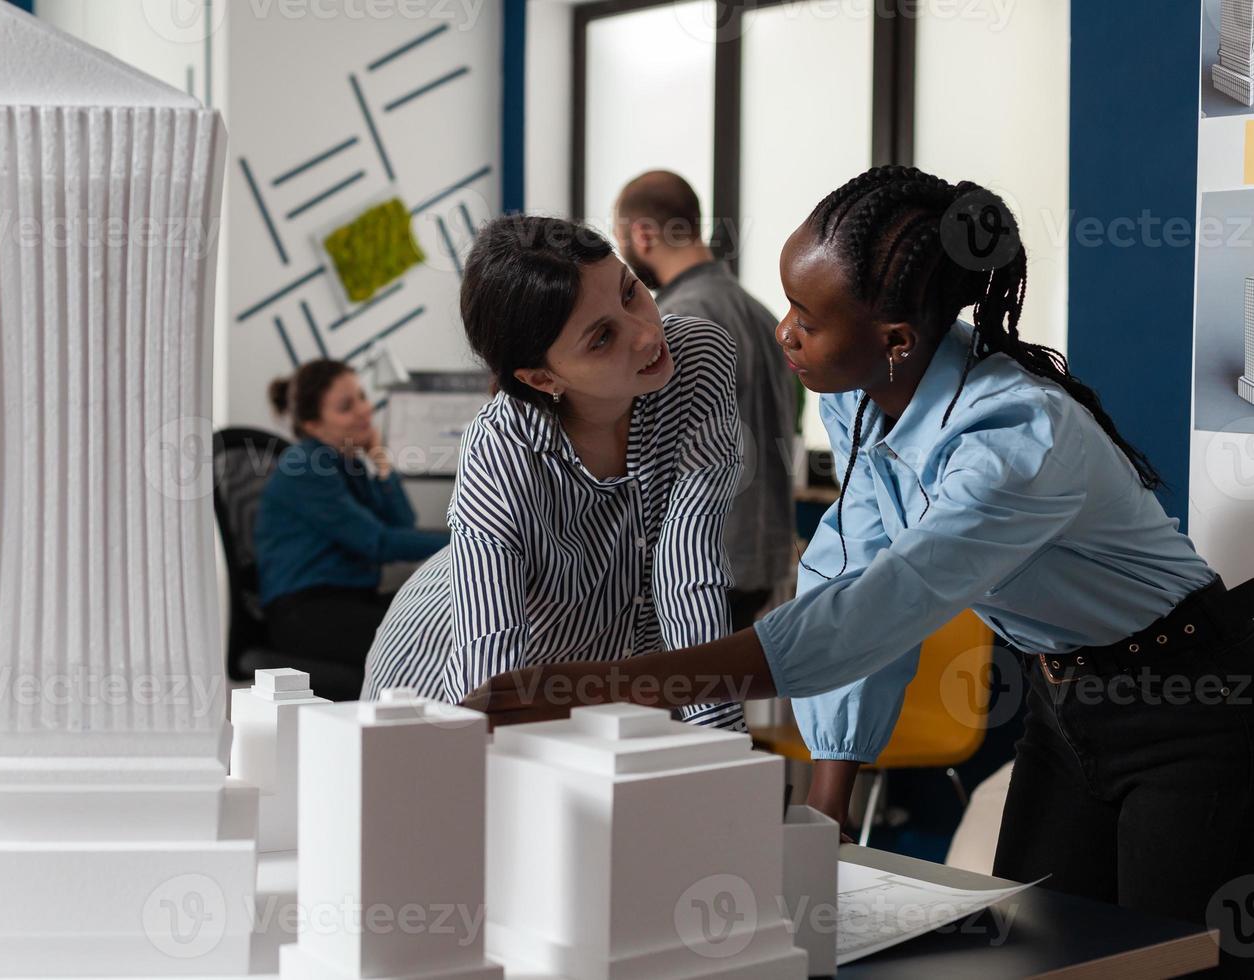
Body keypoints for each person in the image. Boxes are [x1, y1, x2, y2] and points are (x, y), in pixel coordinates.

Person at [464, 166, 1253, 938]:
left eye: (807, 317)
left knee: (1176, 957)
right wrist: (826, 805)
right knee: (1041, 954)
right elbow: (854, 564)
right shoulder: (861, 395)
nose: (783, 333)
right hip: (1063, 700)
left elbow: (880, 607)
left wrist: (594, 686)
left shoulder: (1017, 440)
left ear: (896, 339)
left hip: (1188, 699)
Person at [362, 214, 746, 730]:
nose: (645, 333)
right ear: (543, 377)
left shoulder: (697, 359)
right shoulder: (502, 448)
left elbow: (688, 566)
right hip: (438, 671)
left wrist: (719, 743)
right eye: (602, 338)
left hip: (598, 685)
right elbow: (489, 656)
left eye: (630, 293)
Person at [614, 170, 797, 628]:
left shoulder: (675, 321)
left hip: (700, 563)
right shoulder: (760, 313)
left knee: (659, 698)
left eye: (621, 240)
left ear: (642, 234)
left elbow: (649, 454)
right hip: (760, 559)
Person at [254, 359, 448, 698]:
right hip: (305, 612)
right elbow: (378, 544)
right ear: (313, 425)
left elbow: (402, 523)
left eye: (361, 396)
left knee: (435, 615)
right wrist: (465, 540)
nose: (364, 410)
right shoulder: (305, 466)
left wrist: (381, 460)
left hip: (348, 602)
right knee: (421, 638)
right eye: (347, 407)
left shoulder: (349, 462)